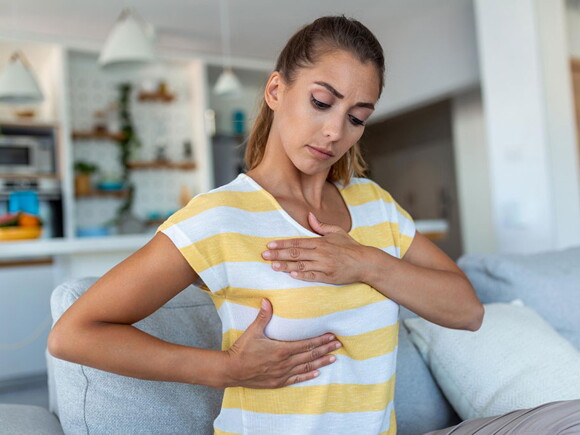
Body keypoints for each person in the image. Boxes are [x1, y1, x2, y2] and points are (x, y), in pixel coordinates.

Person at [48, 15, 483, 435]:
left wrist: (368, 264)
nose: (335, 131)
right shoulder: (221, 216)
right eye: (321, 102)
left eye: (356, 117)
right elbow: (73, 335)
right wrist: (226, 369)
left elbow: (467, 311)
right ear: (276, 89)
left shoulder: (374, 205)